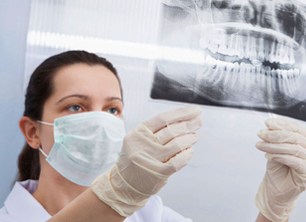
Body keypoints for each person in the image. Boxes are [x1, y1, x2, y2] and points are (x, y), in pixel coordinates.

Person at [0, 50, 305, 222]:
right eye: (76, 106)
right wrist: (119, 194)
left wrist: (273, 211)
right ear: (33, 131)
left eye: (111, 109)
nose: (99, 121)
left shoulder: (149, 214)